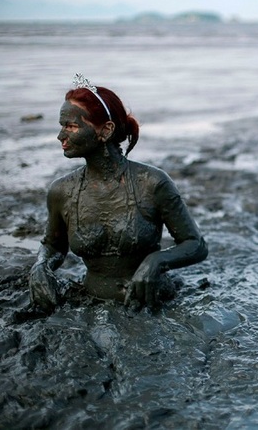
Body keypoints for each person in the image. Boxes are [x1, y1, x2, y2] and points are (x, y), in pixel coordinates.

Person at [28, 73, 208, 311]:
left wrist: (157, 260)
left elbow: (195, 244)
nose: (61, 136)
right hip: (92, 304)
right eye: (62, 126)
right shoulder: (61, 191)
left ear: (105, 130)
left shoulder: (152, 183)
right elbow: (53, 246)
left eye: (71, 126)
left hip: (154, 305)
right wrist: (40, 265)